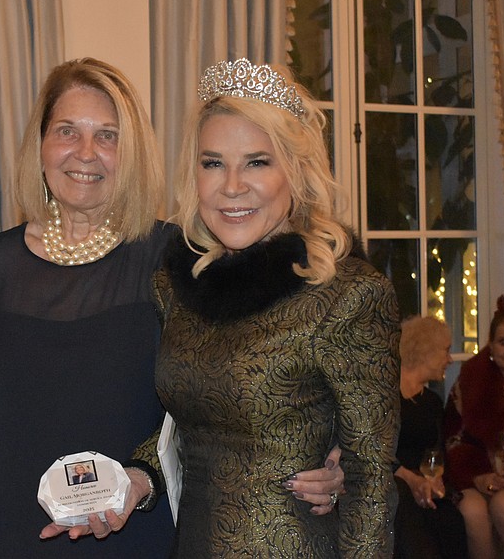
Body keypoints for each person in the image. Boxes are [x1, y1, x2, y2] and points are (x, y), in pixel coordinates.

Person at [0, 57, 344, 558]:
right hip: (7, 528)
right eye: (67, 131)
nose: (86, 153)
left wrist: (336, 459)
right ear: (41, 144)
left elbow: (259, 367)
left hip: (133, 527)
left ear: (133, 151)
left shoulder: (176, 258)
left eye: (108, 136)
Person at [152, 57, 401, 556]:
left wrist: (343, 477)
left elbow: (372, 481)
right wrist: (133, 478)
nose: (232, 186)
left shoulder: (345, 294)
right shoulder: (179, 286)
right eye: (213, 162)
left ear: (296, 171)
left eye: (257, 162)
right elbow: (183, 430)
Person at [444, 292, 504, 559]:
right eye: (503, 342)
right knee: (472, 511)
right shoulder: (470, 378)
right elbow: (452, 437)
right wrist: (476, 477)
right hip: (478, 477)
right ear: (490, 344)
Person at [393, 316, 467, 558]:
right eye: (445, 351)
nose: (449, 359)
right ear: (424, 351)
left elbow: (437, 453)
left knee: (451, 521)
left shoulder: (432, 402)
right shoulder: (385, 395)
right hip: (395, 484)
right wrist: (414, 481)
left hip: (426, 486)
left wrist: (434, 480)